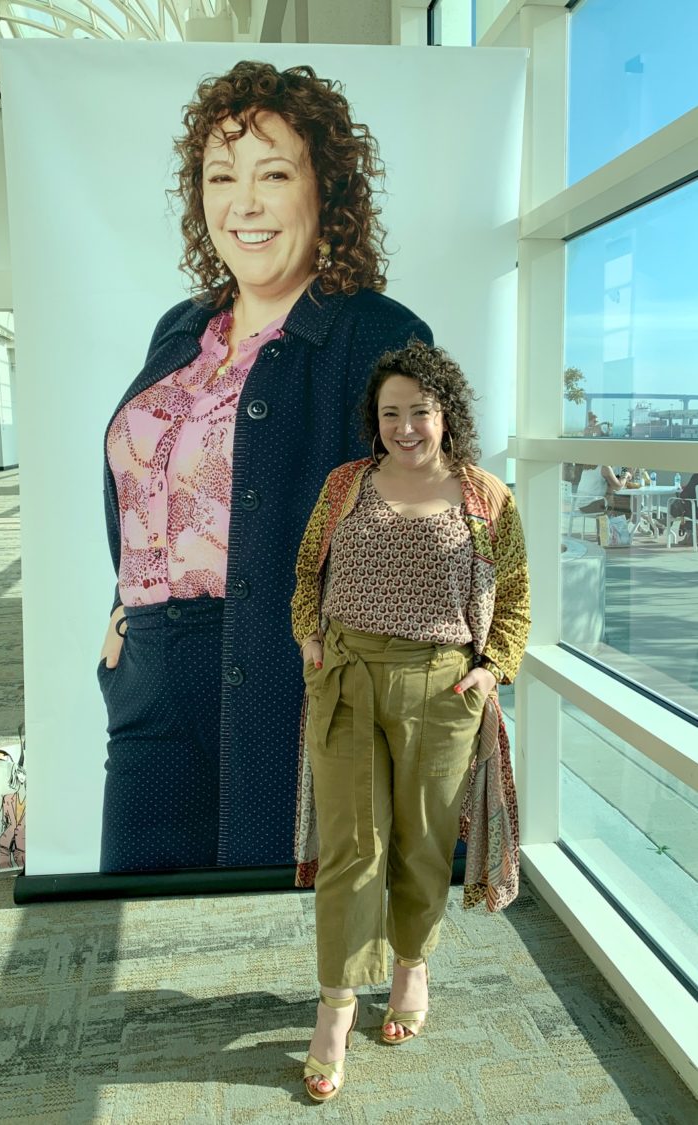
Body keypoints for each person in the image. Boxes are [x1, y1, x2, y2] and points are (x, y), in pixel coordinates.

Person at [98, 61, 433, 874]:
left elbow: (429, 538)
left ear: (327, 192)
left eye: (273, 173)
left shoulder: (374, 335)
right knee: (140, 931)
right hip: (149, 677)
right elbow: (152, 487)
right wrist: (121, 610)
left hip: (288, 682)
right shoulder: (181, 330)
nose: (242, 202)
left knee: (271, 933)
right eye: (221, 176)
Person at [291, 341, 530, 1102]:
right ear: (376, 419)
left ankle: (411, 965)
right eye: (390, 413)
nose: (404, 427)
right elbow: (306, 571)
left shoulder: (485, 496)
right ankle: (335, 1005)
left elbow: (517, 594)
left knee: (423, 844)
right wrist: (311, 639)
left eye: (419, 412)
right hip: (349, 681)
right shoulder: (344, 486)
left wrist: (492, 668)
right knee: (352, 848)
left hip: (440, 686)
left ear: (446, 413)